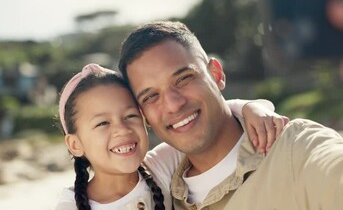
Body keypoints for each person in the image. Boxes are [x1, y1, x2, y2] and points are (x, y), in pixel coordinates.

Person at [118, 20, 343, 210]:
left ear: (216, 74)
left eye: (183, 79)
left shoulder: (297, 151)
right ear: (142, 115)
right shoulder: (155, 189)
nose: (173, 105)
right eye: (151, 97)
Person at [55, 63, 288, 210]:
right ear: (75, 144)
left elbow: (208, 117)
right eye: (103, 123)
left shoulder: (160, 167)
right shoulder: (69, 206)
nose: (122, 129)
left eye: (130, 116)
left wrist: (250, 108)